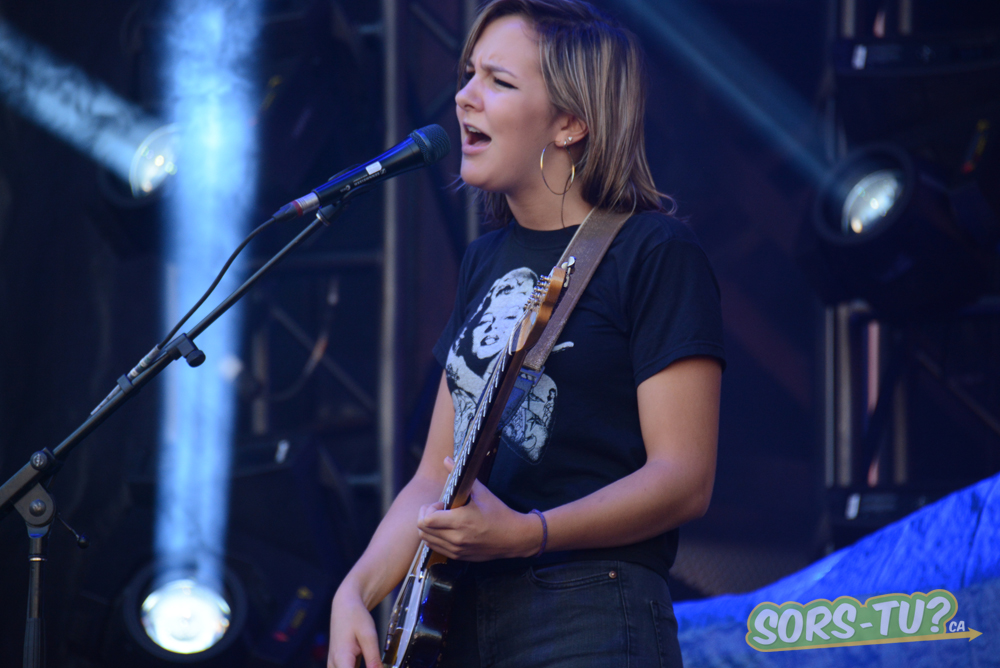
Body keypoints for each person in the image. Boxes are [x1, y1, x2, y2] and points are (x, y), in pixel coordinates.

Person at [328, 1, 725, 666]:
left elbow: (683, 478)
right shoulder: (485, 260)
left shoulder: (653, 251)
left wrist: (528, 533)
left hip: (589, 614)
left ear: (570, 123)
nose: (464, 96)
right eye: (468, 74)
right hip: (466, 622)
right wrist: (356, 590)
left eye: (499, 81)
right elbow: (435, 475)